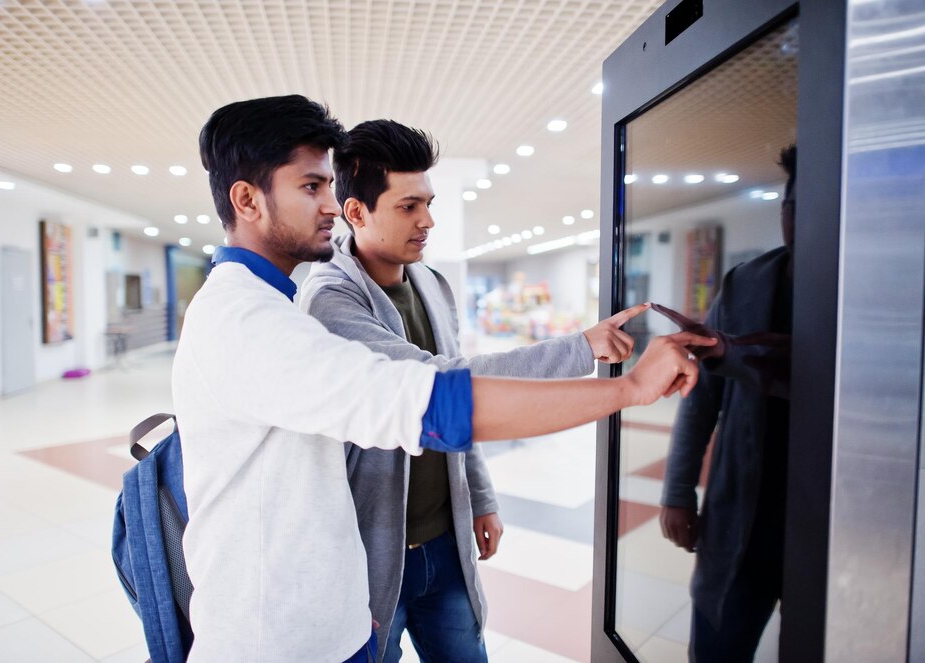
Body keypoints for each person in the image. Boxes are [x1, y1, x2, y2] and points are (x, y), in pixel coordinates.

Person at [174, 94, 713, 663]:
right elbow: (432, 395)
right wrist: (626, 388)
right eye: (312, 187)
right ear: (246, 199)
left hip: (333, 613)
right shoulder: (258, 320)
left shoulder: (278, 306)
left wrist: (477, 496)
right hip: (285, 634)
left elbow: (445, 386)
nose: (331, 205)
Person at [299, 118, 648, 663]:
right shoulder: (329, 301)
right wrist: (582, 350)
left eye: (428, 203)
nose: (428, 220)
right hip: (372, 552)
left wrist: (479, 498)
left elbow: (464, 411)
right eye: (409, 206)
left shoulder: (432, 283)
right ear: (357, 212)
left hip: (446, 540)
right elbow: (442, 387)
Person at [658, 145, 796, 661]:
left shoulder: (876, 290)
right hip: (741, 509)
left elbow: (814, 371)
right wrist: (677, 492)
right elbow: (701, 398)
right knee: (717, 642)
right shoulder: (746, 283)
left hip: (829, 520)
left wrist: (728, 350)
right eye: (794, 207)